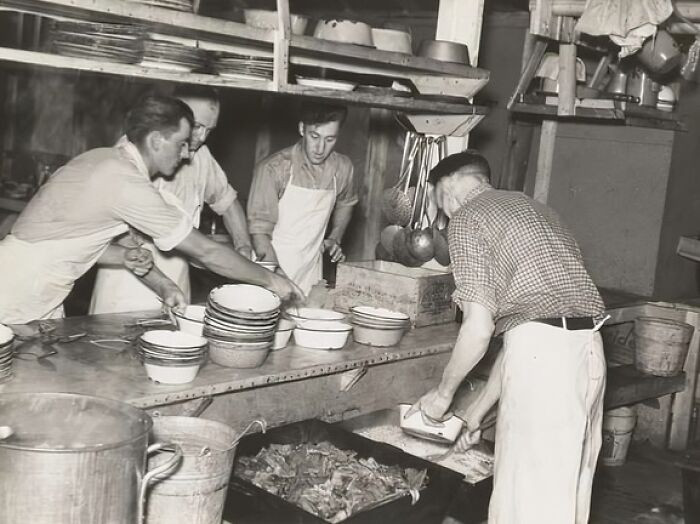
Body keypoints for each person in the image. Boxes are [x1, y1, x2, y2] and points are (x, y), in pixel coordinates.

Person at [407, 151, 607, 523]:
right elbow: (525, 335)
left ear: (446, 190)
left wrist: (442, 394)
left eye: (440, 207)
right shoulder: (538, 210)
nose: (443, 217)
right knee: (566, 498)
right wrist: (475, 412)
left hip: (547, 365)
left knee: (525, 504)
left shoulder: (467, 217)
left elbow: (479, 329)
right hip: (587, 351)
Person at [0, 95, 302, 325]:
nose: (186, 154)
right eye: (182, 143)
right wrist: (271, 280)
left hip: (42, 292)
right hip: (17, 290)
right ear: (157, 141)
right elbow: (205, 251)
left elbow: (66, 244)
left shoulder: (107, 160)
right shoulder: (123, 181)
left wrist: (161, 282)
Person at [89, 86, 254, 314]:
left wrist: (243, 246)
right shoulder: (133, 153)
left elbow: (227, 201)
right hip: (127, 286)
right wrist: (164, 285)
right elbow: (123, 240)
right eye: (196, 127)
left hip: (176, 284)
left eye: (209, 130)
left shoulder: (201, 155)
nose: (201, 138)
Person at [247, 102, 358, 294]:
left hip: (311, 273)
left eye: (330, 139)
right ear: (301, 129)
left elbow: (347, 202)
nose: (320, 148)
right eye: (314, 136)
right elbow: (259, 233)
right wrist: (278, 279)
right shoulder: (274, 168)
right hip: (268, 270)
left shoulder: (342, 168)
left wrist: (335, 237)